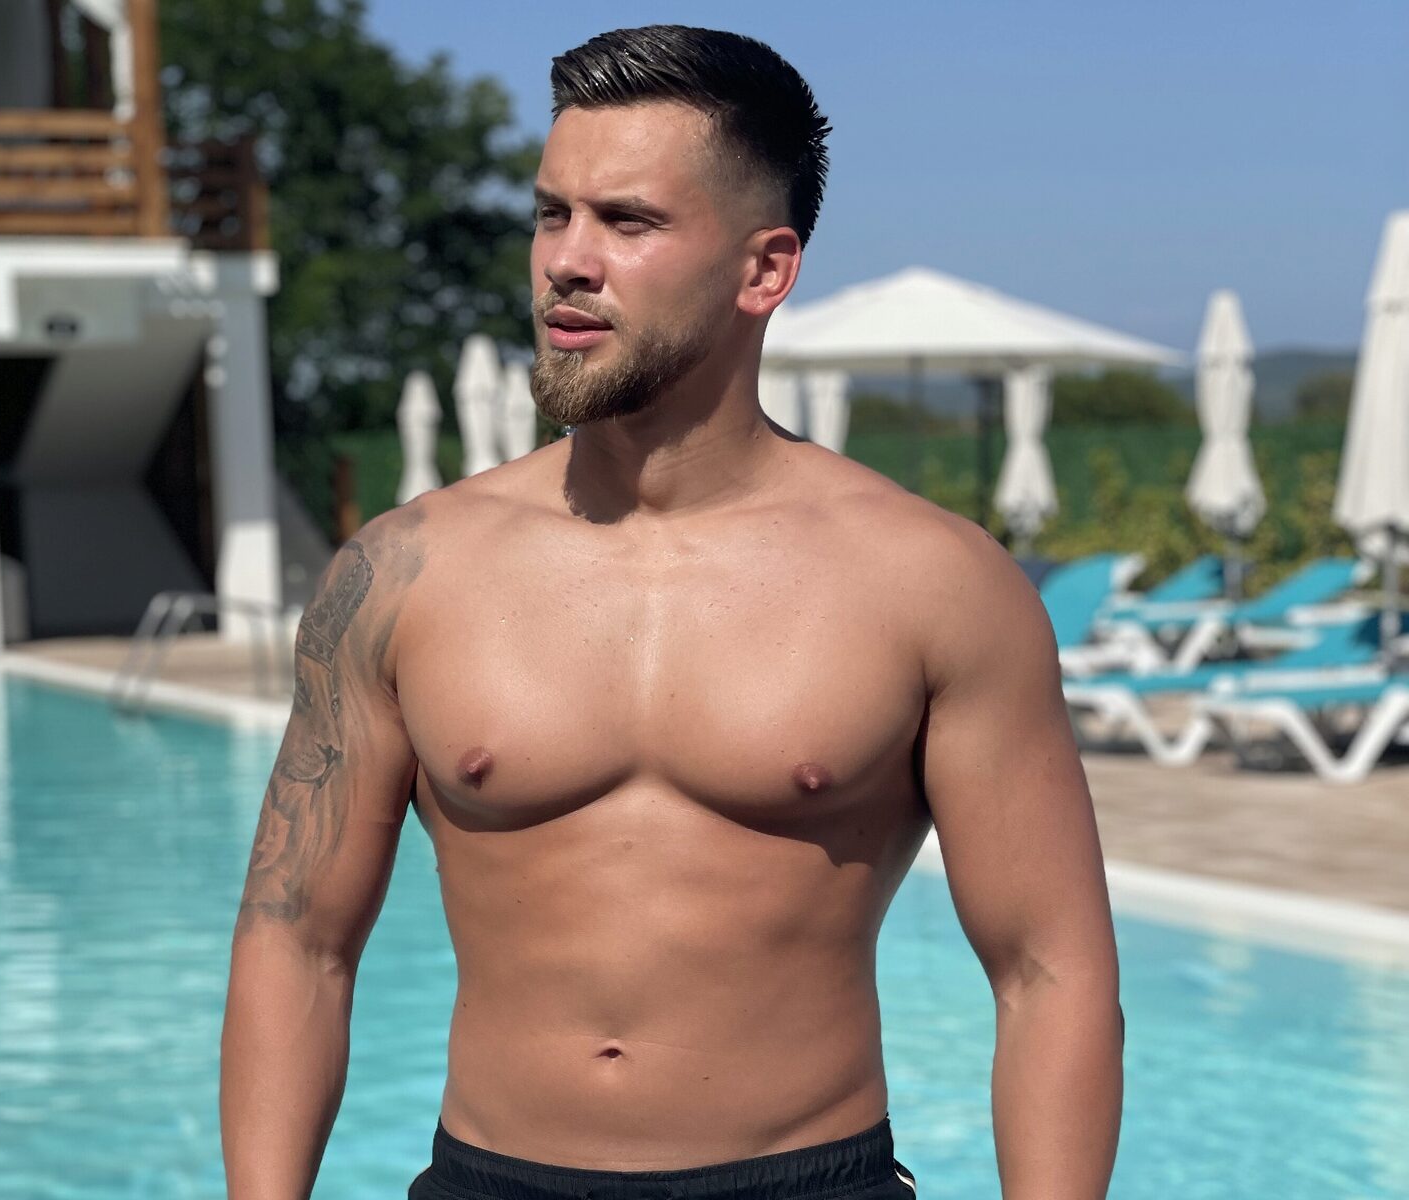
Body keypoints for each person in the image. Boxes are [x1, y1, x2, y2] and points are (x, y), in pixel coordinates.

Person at [220, 24, 1123, 1200]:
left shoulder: (933, 582)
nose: (566, 261)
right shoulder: (402, 573)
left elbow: (1048, 970)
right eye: (551, 214)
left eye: (627, 221)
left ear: (764, 270)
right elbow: (297, 938)